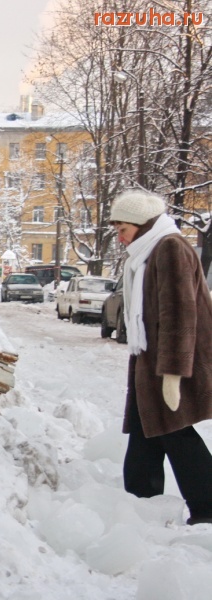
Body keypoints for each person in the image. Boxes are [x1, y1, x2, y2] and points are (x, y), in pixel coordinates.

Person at [109, 189, 212, 525]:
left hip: (171, 363)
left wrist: (172, 373)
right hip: (151, 362)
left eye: (123, 229)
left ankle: (207, 509)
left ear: (142, 224)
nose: (120, 237)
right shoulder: (148, 251)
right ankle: (141, 503)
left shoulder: (169, 248)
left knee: (175, 433)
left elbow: (179, 313)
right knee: (146, 433)